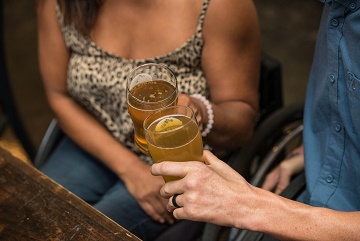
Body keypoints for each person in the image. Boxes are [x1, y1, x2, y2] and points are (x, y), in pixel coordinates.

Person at [36, 0, 260, 240]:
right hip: (96, 140)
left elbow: (242, 121)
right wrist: (131, 169)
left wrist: (201, 112)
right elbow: (59, 96)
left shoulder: (219, 6)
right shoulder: (62, 5)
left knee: (85, 235)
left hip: (178, 160)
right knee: (33, 212)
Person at [151, 0, 360, 240]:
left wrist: (250, 206)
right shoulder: (337, 9)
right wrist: (305, 154)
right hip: (312, 194)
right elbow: (343, 107)